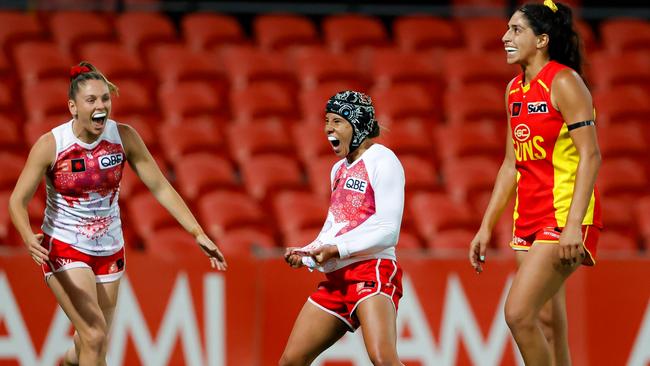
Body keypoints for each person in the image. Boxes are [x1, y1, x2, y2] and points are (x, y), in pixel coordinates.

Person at [8, 61, 227, 366]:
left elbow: (161, 187)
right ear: (73, 107)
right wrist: (25, 234)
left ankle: (68, 362)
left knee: (88, 345)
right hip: (64, 247)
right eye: (91, 100)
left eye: (105, 99)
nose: (101, 106)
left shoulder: (123, 137)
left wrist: (197, 232)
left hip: (110, 250)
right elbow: (17, 200)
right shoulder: (52, 145)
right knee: (95, 336)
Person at [468, 1, 602, 365]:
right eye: (507, 29)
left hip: (562, 216)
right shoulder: (513, 90)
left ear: (542, 40)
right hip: (526, 218)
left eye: (516, 30)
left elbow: (591, 156)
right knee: (546, 320)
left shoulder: (565, 81)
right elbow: (511, 164)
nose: (504, 37)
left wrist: (573, 226)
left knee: (518, 313)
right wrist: (486, 227)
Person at [279, 91, 405, 366]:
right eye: (327, 121)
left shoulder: (383, 160)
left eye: (337, 121)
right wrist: (308, 253)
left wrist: (337, 249)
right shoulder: (338, 169)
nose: (328, 128)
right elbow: (335, 227)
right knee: (291, 361)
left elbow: (388, 229)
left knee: (383, 359)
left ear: (357, 124)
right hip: (338, 279)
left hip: (371, 270)